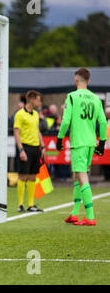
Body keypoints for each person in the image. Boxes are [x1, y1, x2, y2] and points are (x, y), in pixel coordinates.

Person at [56, 68, 107, 226]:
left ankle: (90, 216)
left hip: (79, 142)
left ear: (76, 80)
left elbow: (65, 121)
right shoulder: (96, 98)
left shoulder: (72, 96)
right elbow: (104, 122)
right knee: (78, 176)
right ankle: (75, 213)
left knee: (82, 176)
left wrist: (59, 138)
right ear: (89, 81)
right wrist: (102, 142)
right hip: (91, 142)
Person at [13, 90, 45, 213]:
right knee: (23, 176)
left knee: (33, 176)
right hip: (25, 147)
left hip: (35, 148)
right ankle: (20, 204)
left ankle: (30, 204)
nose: (39, 102)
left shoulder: (36, 114)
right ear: (31, 100)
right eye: (38, 100)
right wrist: (21, 150)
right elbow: (16, 132)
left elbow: (37, 131)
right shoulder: (19, 114)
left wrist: (43, 146)